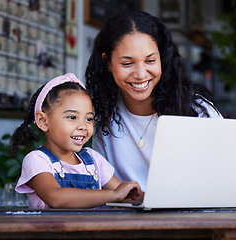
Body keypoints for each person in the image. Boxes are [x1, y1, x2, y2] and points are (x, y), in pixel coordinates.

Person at [85, 12, 223, 191]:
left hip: (190, 216)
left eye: (150, 61)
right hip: (126, 218)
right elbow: (104, 188)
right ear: (108, 63)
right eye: (127, 64)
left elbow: (222, 175)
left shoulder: (197, 110)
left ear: (162, 59)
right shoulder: (102, 115)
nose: (141, 74)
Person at [10, 73, 141, 208]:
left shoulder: (93, 159)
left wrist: (156, 198)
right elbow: (55, 198)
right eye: (72, 117)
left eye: (88, 119)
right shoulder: (37, 160)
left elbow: (125, 195)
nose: (83, 126)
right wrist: (113, 196)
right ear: (43, 121)